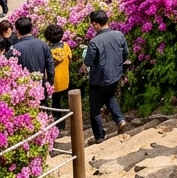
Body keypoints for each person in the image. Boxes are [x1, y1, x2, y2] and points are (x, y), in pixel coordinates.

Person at [82, 11, 128, 142]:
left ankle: (99, 136)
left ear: (95, 24)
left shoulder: (95, 41)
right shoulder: (119, 35)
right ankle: (120, 120)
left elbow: (88, 62)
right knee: (109, 96)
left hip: (98, 79)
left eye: (92, 24)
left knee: (95, 109)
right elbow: (126, 54)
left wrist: (83, 65)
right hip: (115, 75)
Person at [6, 17, 56, 105]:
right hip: (40, 86)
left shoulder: (14, 49)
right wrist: (49, 83)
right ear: (31, 29)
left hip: (23, 90)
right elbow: (50, 67)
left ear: (17, 31)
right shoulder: (43, 44)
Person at [44, 24, 72, 109]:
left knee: (55, 105)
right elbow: (70, 58)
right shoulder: (66, 46)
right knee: (60, 102)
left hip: (54, 84)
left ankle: (59, 121)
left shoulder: (49, 52)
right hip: (65, 80)